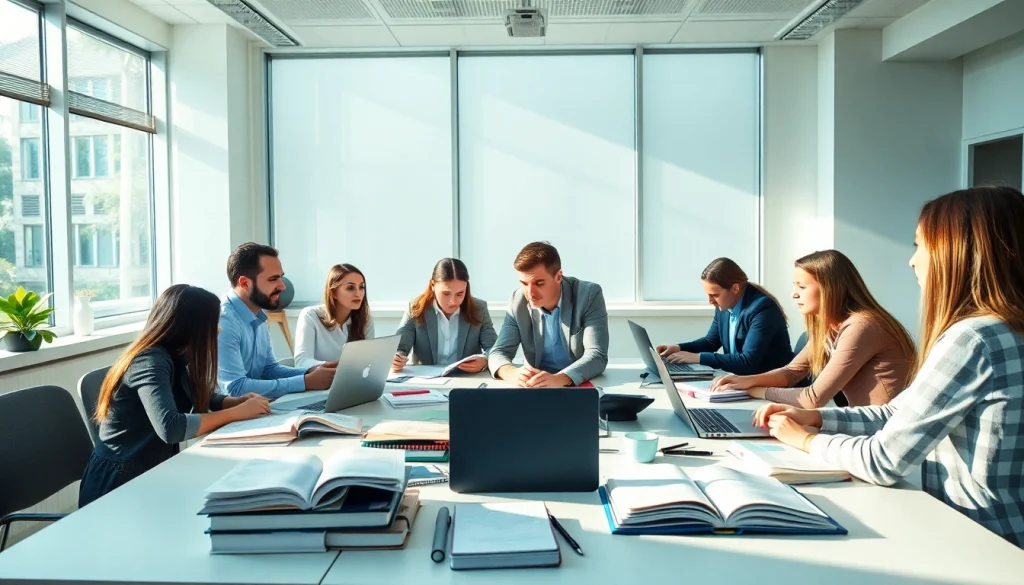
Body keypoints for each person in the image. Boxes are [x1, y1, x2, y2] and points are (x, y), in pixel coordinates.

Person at [754, 186, 1024, 547]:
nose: (912, 261)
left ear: (958, 253)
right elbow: (898, 412)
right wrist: (819, 418)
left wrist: (805, 439)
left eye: (919, 245)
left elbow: (883, 460)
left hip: (976, 539)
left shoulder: (973, 339)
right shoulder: (1005, 330)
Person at [79, 285, 270, 507]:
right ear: (191, 326)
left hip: (152, 471)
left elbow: (196, 391)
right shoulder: (149, 360)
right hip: (119, 485)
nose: (218, 330)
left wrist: (232, 401)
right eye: (212, 323)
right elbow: (171, 427)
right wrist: (236, 413)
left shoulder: (175, 354)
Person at [711, 250, 916, 408]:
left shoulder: (862, 326)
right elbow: (791, 372)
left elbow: (812, 398)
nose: (794, 294)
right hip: (863, 426)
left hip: (882, 433)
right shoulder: (831, 327)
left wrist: (753, 390)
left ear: (830, 288)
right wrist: (742, 382)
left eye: (801, 286)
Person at [218, 243, 337, 399]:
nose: (282, 286)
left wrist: (313, 371)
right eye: (273, 279)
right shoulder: (224, 321)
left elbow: (268, 370)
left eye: (281, 277)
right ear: (245, 283)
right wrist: (305, 382)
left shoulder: (258, 313)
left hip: (256, 409)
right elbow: (235, 388)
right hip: (226, 417)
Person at [489, 242, 609, 387]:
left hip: (576, 385)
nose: (530, 293)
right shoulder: (518, 300)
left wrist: (560, 379)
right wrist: (511, 373)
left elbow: (597, 356)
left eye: (539, 283)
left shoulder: (588, 295)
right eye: (524, 284)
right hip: (535, 388)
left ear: (558, 277)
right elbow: (498, 352)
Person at [656, 258, 793, 375]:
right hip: (740, 382)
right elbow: (710, 342)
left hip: (770, 387)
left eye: (714, 295)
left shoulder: (762, 309)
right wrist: (678, 348)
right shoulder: (724, 306)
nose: (710, 301)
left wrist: (698, 358)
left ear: (735, 288)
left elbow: (747, 362)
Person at [392, 258, 496, 372]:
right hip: (426, 380)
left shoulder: (479, 309)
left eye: (460, 294)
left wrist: (485, 360)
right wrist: (396, 359)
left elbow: (494, 349)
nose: (453, 301)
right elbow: (399, 348)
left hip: (465, 379)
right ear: (432, 284)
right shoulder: (415, 309)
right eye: (446, 293)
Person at [294, 264, 375, 369]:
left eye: (361, 287)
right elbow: (302, 362)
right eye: (350, 288)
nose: (358, 293)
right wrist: (338, 367)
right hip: (319, 383)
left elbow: (370, 361)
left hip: (352, 383)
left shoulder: (366, 319)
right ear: (333, 293)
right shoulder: (310, 315)